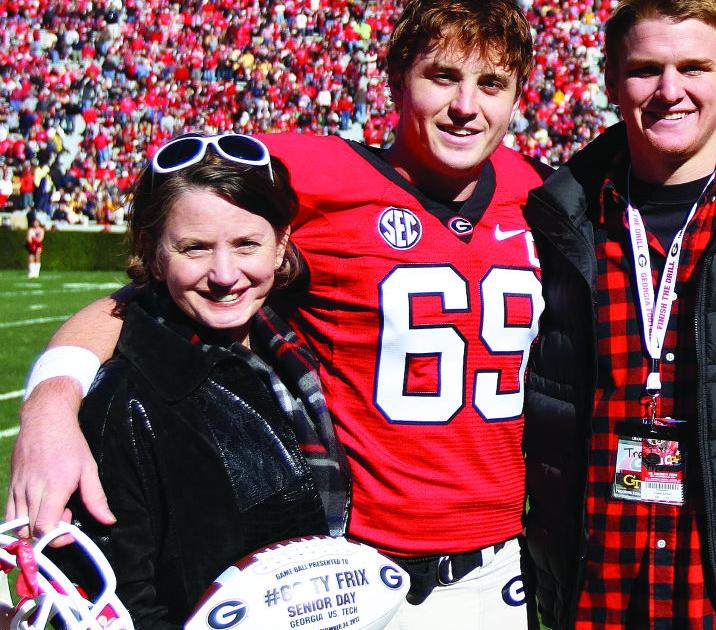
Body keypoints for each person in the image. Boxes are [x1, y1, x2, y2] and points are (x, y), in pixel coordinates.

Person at [9, 2, 546, 628]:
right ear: (399, 80)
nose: (466, 105)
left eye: (491, 84)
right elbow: (141, 295)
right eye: (443, 76)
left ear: (516, 98)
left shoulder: (537, 191)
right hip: (357, 567)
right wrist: (48, 404)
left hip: (502, 565)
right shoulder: (316, 175)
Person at [521, 0, 716, 627]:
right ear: (611, 78)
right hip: (598, 592)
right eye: (647, 69)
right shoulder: (557, 224)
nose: (671, 91)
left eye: (694, 67)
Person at [62, 135, 336, 628]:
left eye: (247, 243)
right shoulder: (127, 399)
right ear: (152, 251)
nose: (225, 274)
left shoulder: (301, 342)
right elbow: (118, 603)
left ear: (281, 245)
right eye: (195, 248)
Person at [25, 214, 44, 278]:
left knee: (37, 256)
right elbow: (28, 238)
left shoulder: (41, 230)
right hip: (31, 245)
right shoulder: (30, 229)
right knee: (31, 257)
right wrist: (31, 243)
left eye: (37, 222)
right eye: (34, 222)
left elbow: (40, 239)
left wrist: (34, 239)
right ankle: (31, 272)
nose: (35, 224)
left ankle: (36, 272)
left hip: (38, 245)